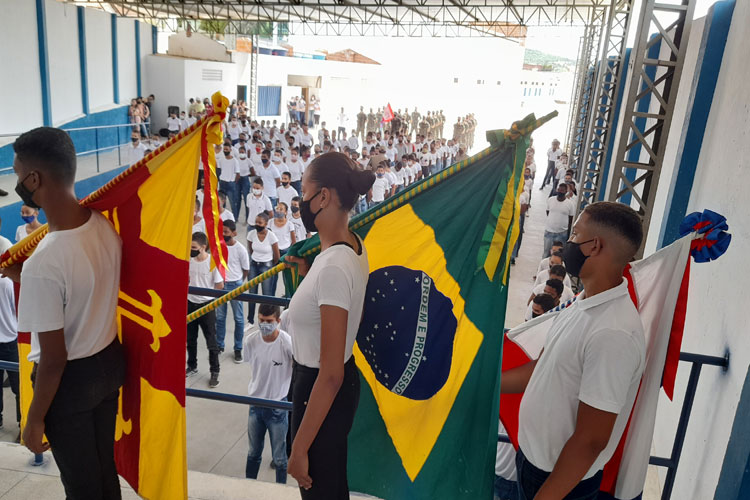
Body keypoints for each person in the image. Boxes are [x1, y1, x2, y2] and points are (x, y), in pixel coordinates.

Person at [3, 127, 125, 498]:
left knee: (81, 487)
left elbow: (54, 359)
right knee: (105, 472)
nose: (17, 181)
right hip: (108, 363)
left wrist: (34, 418)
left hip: (69, 385)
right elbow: (78, 282)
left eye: (16, 173)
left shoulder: (46, 259)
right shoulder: (103, 226)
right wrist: (28, 276)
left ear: (33, 179)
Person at [501, 201, 646, 500]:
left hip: (560, 485)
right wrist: (485, 382)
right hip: (531, 463)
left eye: (575, 234)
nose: (568, 242)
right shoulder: (583, 301)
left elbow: (591, 440)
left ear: (594, 246)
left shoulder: (613, 333)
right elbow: (541, 368)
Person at [284, 152, 375, 498]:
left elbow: (331, 372)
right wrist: (309, 279)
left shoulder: (333, 268)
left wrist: (298, 448)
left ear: (323, 196)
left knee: (321, 491)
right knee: (332, 486)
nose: (300, 200)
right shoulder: (351, 246)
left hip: (320, 390)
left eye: (304, 191)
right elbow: (353, 313)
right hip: (333, 388)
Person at [243, 303, 294, 483]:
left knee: (280, 459)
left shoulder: (286, 342)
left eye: (269, 321)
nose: (265, 324)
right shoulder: (251, 341)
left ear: (278, 321)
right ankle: (247, 488)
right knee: (253, 453)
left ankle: (279, 492)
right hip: (255, 405)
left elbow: (296, 365)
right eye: (261, 320)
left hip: (278, 407)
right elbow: (251, 363)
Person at [187, 232, 223, 388]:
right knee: (190, 338)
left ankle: (215, 371)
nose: (191, 250)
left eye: (194, 248)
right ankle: (192, 366)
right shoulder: (189, 261)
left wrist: (207, 296)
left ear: (203, 247)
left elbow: (219, 286)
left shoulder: (213, 263)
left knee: (211, 342)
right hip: (190, 304)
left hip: (207, 306)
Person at [216, 220, 250, 363]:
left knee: (239, 318)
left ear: (234, 233)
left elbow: (246, 269)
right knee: (220, 317)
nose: (224, 235)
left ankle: (237, 348)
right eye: (222, 232)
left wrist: (238, 282)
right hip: (221, 286)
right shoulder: (219, 247)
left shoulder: (240, 249)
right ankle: (219, 345)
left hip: (235, 285)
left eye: (226, 232)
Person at [246, 213, 280, 325]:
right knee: (252, 294)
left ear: (265, 224)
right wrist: (255, 260)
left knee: (266, 294)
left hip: (267, 266)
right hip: (254, 265)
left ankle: (267, 318)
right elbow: (250, 249)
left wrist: (270, 265)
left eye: (260, 223)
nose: (257, 224)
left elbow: (277, 256)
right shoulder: (251, 234)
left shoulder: (271, 236)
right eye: (256, 222)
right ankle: (250, 319)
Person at [0, 275, 20, 433]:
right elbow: (18, 309)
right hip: (11, 341)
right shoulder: (8, 283)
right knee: (19, 387)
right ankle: (22, 424)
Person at [543, 184, 576, 258]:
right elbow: (548, 212)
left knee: (558, 255)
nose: (560, 191)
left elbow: (570, 219)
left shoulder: (570, 204)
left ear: (566, 191)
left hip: (561, 233)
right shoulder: (551, 200)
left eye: (562, 190)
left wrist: (568, 234)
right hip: (549, 232)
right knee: (546, 253)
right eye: (559, 190)